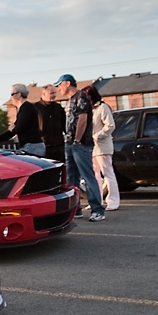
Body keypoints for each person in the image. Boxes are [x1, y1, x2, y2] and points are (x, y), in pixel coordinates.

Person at [55, 75, 105, 222]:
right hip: (70, 143)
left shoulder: (81, 97)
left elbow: (82, 119)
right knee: (72, 178)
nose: (58, 88)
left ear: (67, 83)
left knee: (87, 176)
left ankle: (97, 210)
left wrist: (77, 139)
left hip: (81, 144)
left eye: (59, 85)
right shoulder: (71, 100)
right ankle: (75, 209)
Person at [84, 85, 120, 211]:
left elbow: (110, 126)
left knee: (108, 173)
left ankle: (113, 201)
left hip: (102, 147)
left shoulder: (103, 107)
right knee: (95, 176)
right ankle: (96, 200)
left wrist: (97, 136)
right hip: (91, 147)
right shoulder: (89, 110)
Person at [0, 83, 45, 156]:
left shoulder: (26, 107)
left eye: (12, 94)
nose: (10, 97)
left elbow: (19, 127)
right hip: (32, 145)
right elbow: (15, 129)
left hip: (32, 146)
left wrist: (13, 129)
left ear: (18, 95)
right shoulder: (24, 108)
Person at [36, 84, 66, 161]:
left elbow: (64, 124)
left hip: (59, 146)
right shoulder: (36, 108)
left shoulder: (58, 108)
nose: (54, 95)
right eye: (51, 93)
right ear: (43, 94)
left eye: (55, 93)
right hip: (44, 146)